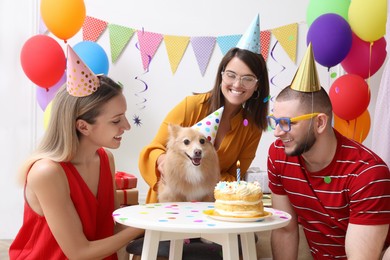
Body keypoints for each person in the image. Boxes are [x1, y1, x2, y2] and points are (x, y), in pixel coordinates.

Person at [9, 46, 143, 259]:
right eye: (116, 120)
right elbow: (79, 253)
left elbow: (111, 231)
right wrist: (141, 226)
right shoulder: (47, 173)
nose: (127, 126)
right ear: (83, 126)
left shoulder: (105, 159)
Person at [267, 44, 390, 259]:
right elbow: (285, 229)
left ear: (320, 123)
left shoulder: (367, 173)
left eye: (287, 123)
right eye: (275, 122)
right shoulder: (279, 154)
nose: (277, 132)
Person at [139, 22, 270, 202]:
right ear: (221, 75)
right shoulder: (191, 106)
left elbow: (234, 176)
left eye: (247, 78)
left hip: (210, 207)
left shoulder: (251, 128)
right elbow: (153, 150)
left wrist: (209, 178)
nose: (238, 84)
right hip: (170, 202)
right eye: (231, 75)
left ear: (257, 85)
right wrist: (163, 162)